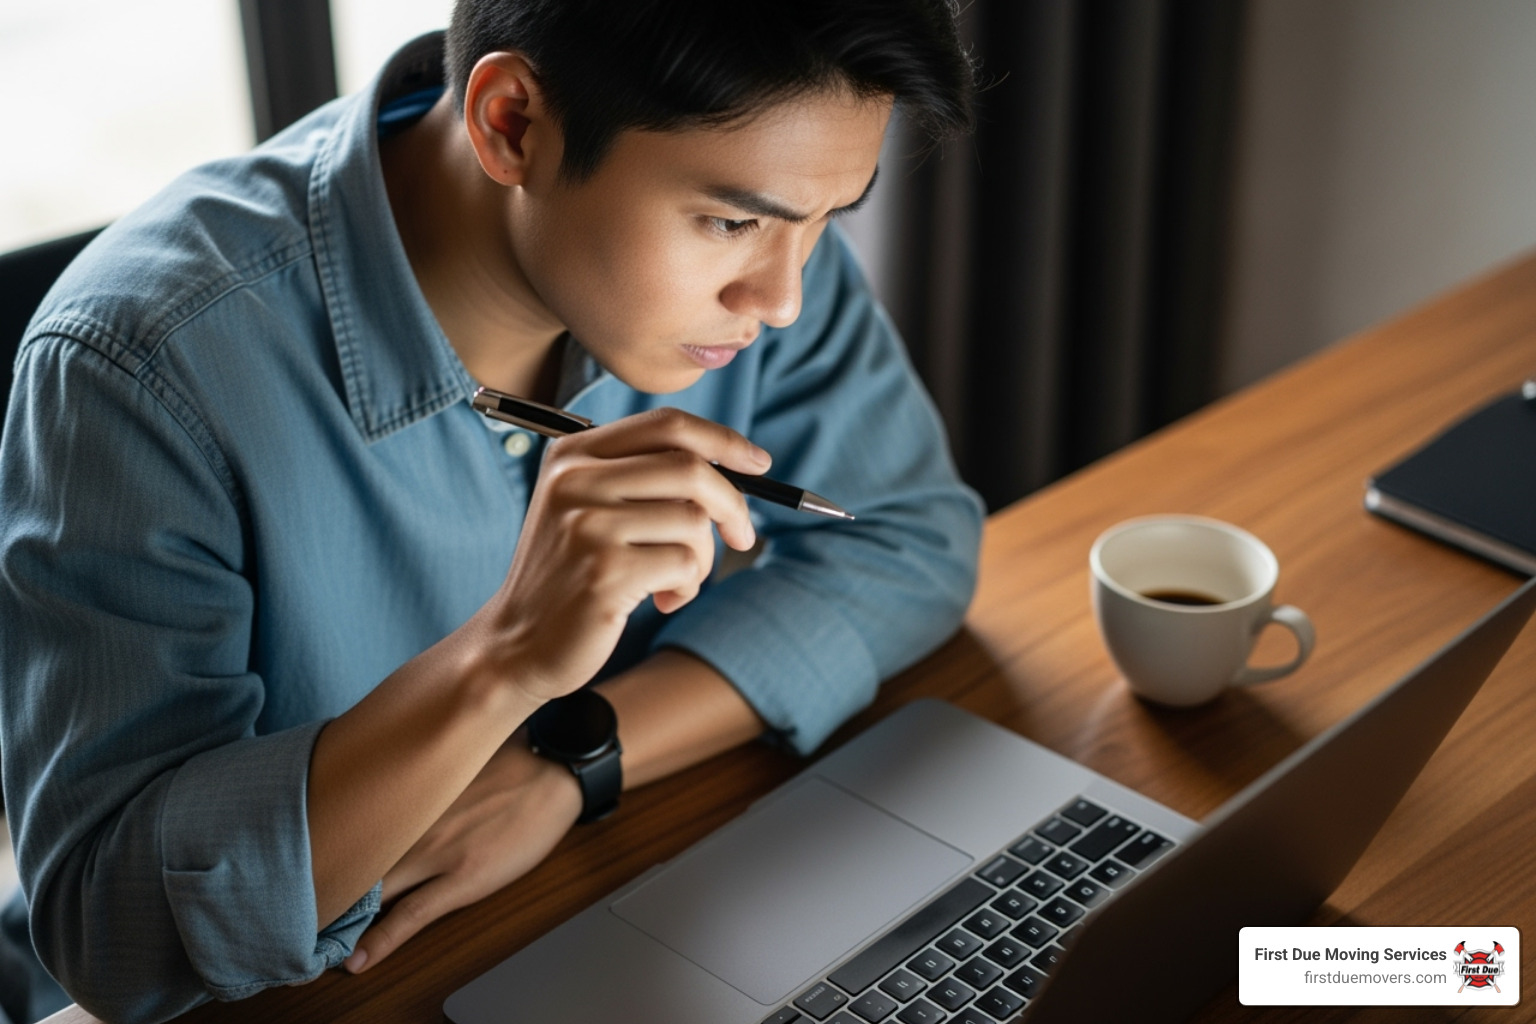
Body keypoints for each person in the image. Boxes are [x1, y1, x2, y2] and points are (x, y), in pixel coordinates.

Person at [0, 1, 981, 1021]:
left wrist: (568, 760)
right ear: (512, 123)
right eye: (732, 223)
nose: (783, 298)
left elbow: (911, 540)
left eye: (829, 219)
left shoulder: (763, 234)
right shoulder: (140, 370)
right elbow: (111, 934)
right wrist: (503, 659)